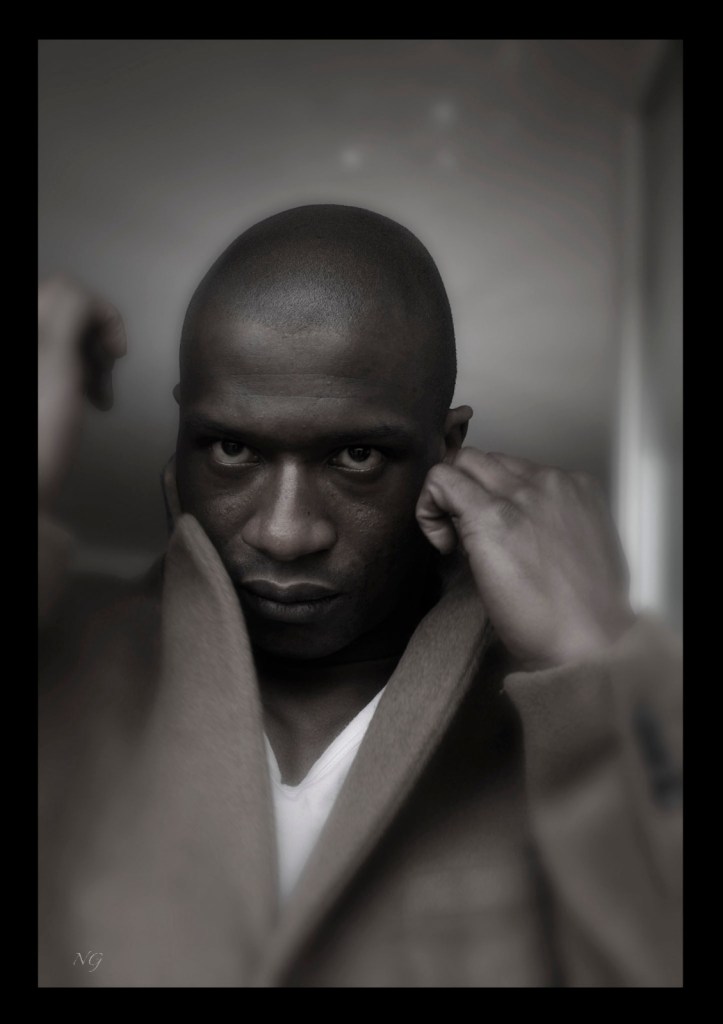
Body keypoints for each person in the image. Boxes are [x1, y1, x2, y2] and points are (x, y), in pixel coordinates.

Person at [38, 204, 682, 987]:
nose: (285, 533)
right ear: (183, 440)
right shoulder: (69, 666)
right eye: (232, 448)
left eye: (355, 456)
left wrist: (600, 670)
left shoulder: (552, 706)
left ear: (446, 449)